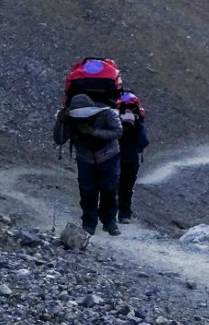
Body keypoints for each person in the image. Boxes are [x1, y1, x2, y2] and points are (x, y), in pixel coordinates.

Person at [53, 89, 123, 236]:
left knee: (109, 189)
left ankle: (109, 222)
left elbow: (118, 132)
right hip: (85, 158)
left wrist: (92, 132)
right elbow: (59, 139)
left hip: (108, 156)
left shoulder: (106, 113)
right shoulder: (69, 118)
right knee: (87, 191)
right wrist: (60, 121)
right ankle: (89, 224)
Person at [116, 91, 149, 222]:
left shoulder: (113, 120)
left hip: (114, 157)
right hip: (132, 159)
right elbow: (144, 141)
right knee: (127, 187)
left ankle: (107, 213)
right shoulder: (138, 122)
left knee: (111, 184)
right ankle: (125, 214)